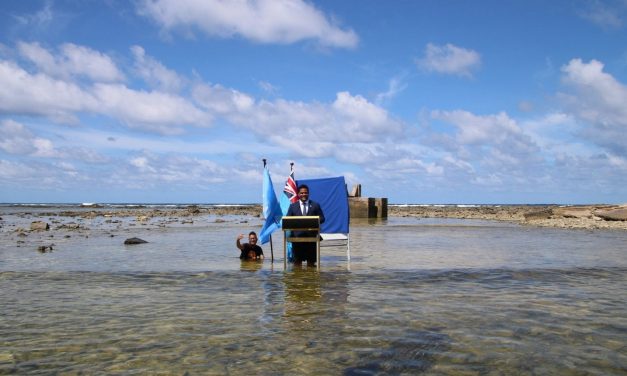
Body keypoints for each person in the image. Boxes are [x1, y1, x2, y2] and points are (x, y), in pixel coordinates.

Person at [286, 184, 325, 266]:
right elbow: (287, 220)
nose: (304, 194)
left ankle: (310, 278)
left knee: (311, 263)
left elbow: (322, 218)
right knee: (297, 263)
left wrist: (313, 221)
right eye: (302, 193)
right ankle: (298, 278)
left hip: (311, 238)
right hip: (297, 238)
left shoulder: (315, 205)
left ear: (308, 193)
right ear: (298, 194)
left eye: (306, 193)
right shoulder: (293, 206)